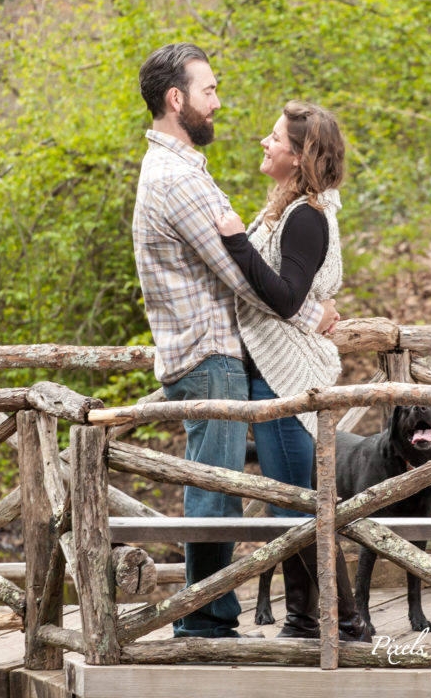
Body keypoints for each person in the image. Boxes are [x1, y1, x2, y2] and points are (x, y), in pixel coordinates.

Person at [132, 44, 338, 639]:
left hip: (209, 354)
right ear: (178, 100)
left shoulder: (180, 169)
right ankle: (204, 620)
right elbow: (245, 281)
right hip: (209, 356)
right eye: (209, 92)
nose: (218, 104)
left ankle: (213, 615)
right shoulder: (179, 179)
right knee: (216, 492)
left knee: (221, 487)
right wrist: (314, 315)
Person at [216, 100, 369, 642]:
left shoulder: (306, 216)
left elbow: (283, 297)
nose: (264, 141)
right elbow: (287, 297)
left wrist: (234, 239)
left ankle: (345, 623)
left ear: (302, 155)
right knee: (293, 499)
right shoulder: (285, 207)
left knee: (297, 504)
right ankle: (307, 619)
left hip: (290, 380)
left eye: (275, 136)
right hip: (273, 373)